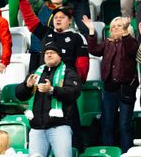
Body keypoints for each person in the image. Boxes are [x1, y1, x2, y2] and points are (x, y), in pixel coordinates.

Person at [82, 16, 139, 152]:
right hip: (109, 90)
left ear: (127, 28)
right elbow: (94, 50)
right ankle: (109, 152)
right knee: (107, 124)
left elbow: (131, 50)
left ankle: (126, 153)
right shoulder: (107, 43)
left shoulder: (131, 42)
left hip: (126, 89)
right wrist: (91, 31)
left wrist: (125, 32)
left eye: (119, 25)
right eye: (114, 26)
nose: (116, 28)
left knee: (124, 125)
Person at [15, 42, 82, 157]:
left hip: (59, 127)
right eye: (46, 53)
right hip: (37, 128)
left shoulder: (69, 73)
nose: (49, 55)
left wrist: (52, 89)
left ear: (60, 56)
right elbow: (19, 95)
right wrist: (27, 86)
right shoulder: (35, 73)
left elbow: (73, 93)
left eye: (52, 52)